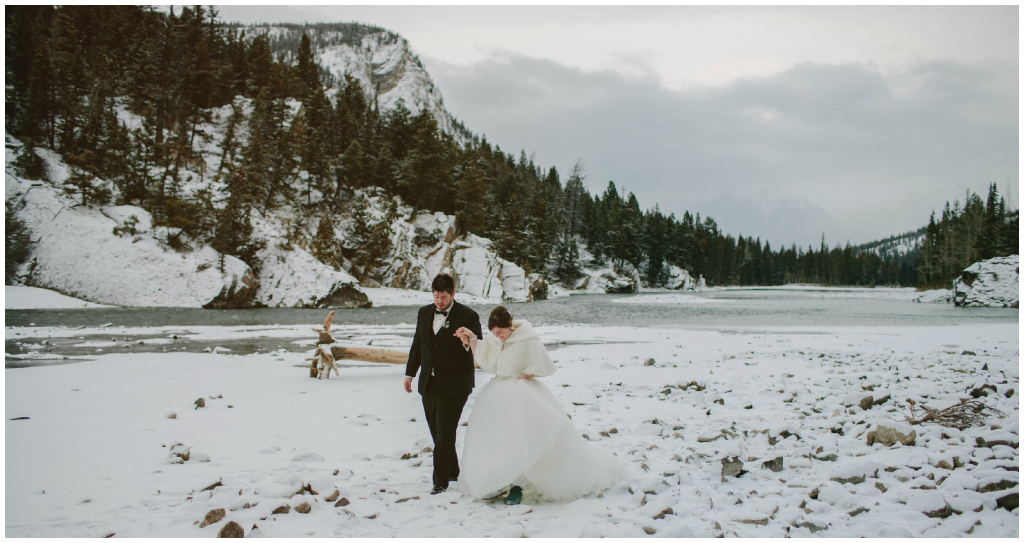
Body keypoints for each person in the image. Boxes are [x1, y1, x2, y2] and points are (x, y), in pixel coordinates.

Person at [454, 306, 625, 505]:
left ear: (509, 325)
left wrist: (524, 377)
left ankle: (519, 485)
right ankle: (503, 480)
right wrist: (472, 339)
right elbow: (487, 359)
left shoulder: (527, 339)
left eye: (500, 332)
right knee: (499, 439)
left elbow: (541, 364)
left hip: (520, 393)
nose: (498, 337)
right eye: (494, 333)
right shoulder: (497, 338)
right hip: (497, 393)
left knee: (522, 439)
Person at [404, 273, 482, 495]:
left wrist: (467, 341)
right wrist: (410, 373)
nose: (440, 302)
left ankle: (440, 482)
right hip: (429, 382)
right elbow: (418, 344)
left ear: (453, 294)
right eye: (437, 296)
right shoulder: (423, 313)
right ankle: (453, 470)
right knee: (437, 433)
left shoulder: (469, 315)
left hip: (456, 384)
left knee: (445, 430)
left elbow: (479, 347)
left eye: (444, 297)